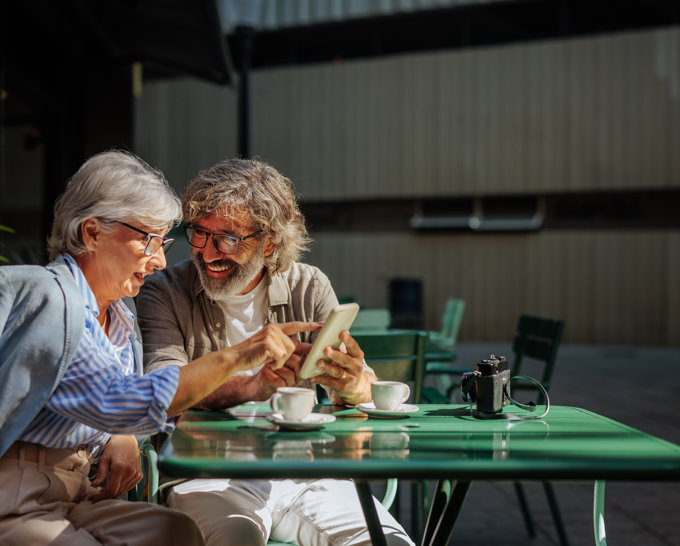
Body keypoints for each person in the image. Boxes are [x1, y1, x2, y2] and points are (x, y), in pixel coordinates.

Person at [0, 150, 317, 545]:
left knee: (177, 532)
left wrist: (123, 436)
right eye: (148, 240)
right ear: (92, 232)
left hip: (80, 491)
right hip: (15, 494)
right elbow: (116, 400)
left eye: (164, 241)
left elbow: (107, 399)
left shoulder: (121, 315)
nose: (160, 260)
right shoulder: (51, 297)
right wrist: (239, 356)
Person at [137, 157, 415, 546]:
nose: (209, 252)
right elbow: (160, 392)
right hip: (207, 474)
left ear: (269, 242)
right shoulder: (164, 290)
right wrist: (250, 386)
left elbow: (361, 390)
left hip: (308, 471)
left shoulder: (309, 286)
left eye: (229, 239)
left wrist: (352, 384)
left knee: (390, 542)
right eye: (199, 233)